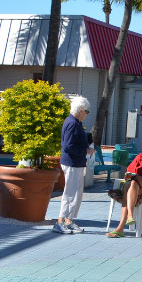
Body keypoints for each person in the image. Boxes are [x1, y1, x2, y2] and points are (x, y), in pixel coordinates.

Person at [53, 96, 92, 234]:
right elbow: (68, 146)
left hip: (77, 163)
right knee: (70, 192)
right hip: (72, 163)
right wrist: (85, 151)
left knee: (76, 193)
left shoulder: (76, 123)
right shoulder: (72, 123)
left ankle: (69, 220)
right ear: (80, 110)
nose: (87, 114)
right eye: (87, 111)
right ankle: (60, 221)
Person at [106, 146, 142, 237]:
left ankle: (121, 227)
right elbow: (129, 171)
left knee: (130, 187)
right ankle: (129, 217)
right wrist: (138, 177)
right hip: (133, 185)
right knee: (132, 183)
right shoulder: (141, 156)